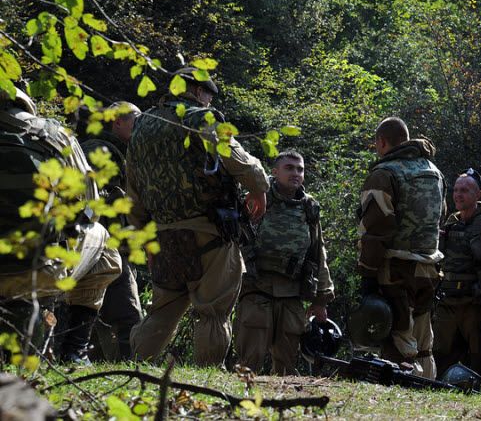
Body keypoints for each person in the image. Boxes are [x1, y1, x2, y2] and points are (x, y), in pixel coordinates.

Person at [127, 68, 269, 367]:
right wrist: (259, 189)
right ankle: (207, 374)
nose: (209, 100)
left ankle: (136, 366)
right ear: (196, 90)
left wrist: (145, 236)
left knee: (162, 310)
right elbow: (241, 162)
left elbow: (134, 190)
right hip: (209, 230)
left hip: (164, 233)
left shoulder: (142, 125)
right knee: (214, 310)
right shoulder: (201, 119)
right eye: (208, 93)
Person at [0, 87, 122, 363]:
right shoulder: (52, 134)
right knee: (104, 243)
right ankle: (75, 350)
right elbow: (91, 208)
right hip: (34, 269)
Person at [357, 117, 445, 378]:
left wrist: (367, 273)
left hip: (395, 270)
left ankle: (403, 397)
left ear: (381, 142)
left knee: (398, 341)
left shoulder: (384, 174)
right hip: (429, 269)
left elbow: (376, 229)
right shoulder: (434, 171)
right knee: (424, 342)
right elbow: (439, 217)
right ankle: (428, 392)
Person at [234, 150, 334, 375]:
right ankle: (241, 404)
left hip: (293, 293)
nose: (295, 173)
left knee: (287, 367)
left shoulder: (309, 207)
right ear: (275, 172)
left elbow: (318, 253)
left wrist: (321, 299)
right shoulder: (257, 198)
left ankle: (282, 407)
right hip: (256, 288)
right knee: (249, 363)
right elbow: (235, 240)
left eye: (300, 169)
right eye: (289, 168)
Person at [77, 102, 143, 361]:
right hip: (104, 246)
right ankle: (130, 369)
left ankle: (102, 367)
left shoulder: (109, 149)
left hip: (100, 245)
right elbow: (92, 203)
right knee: (128, 315)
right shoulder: (101, 150)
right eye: (135, 121)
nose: (140, 127)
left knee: (95, 311)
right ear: (117, 122)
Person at [433, 169, 481, 379]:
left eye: (465, 190)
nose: (458, 195)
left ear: (479, 194)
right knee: (440, 363)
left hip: (476, 307)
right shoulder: (451, 223)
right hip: (448, 305)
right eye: (456, 190)